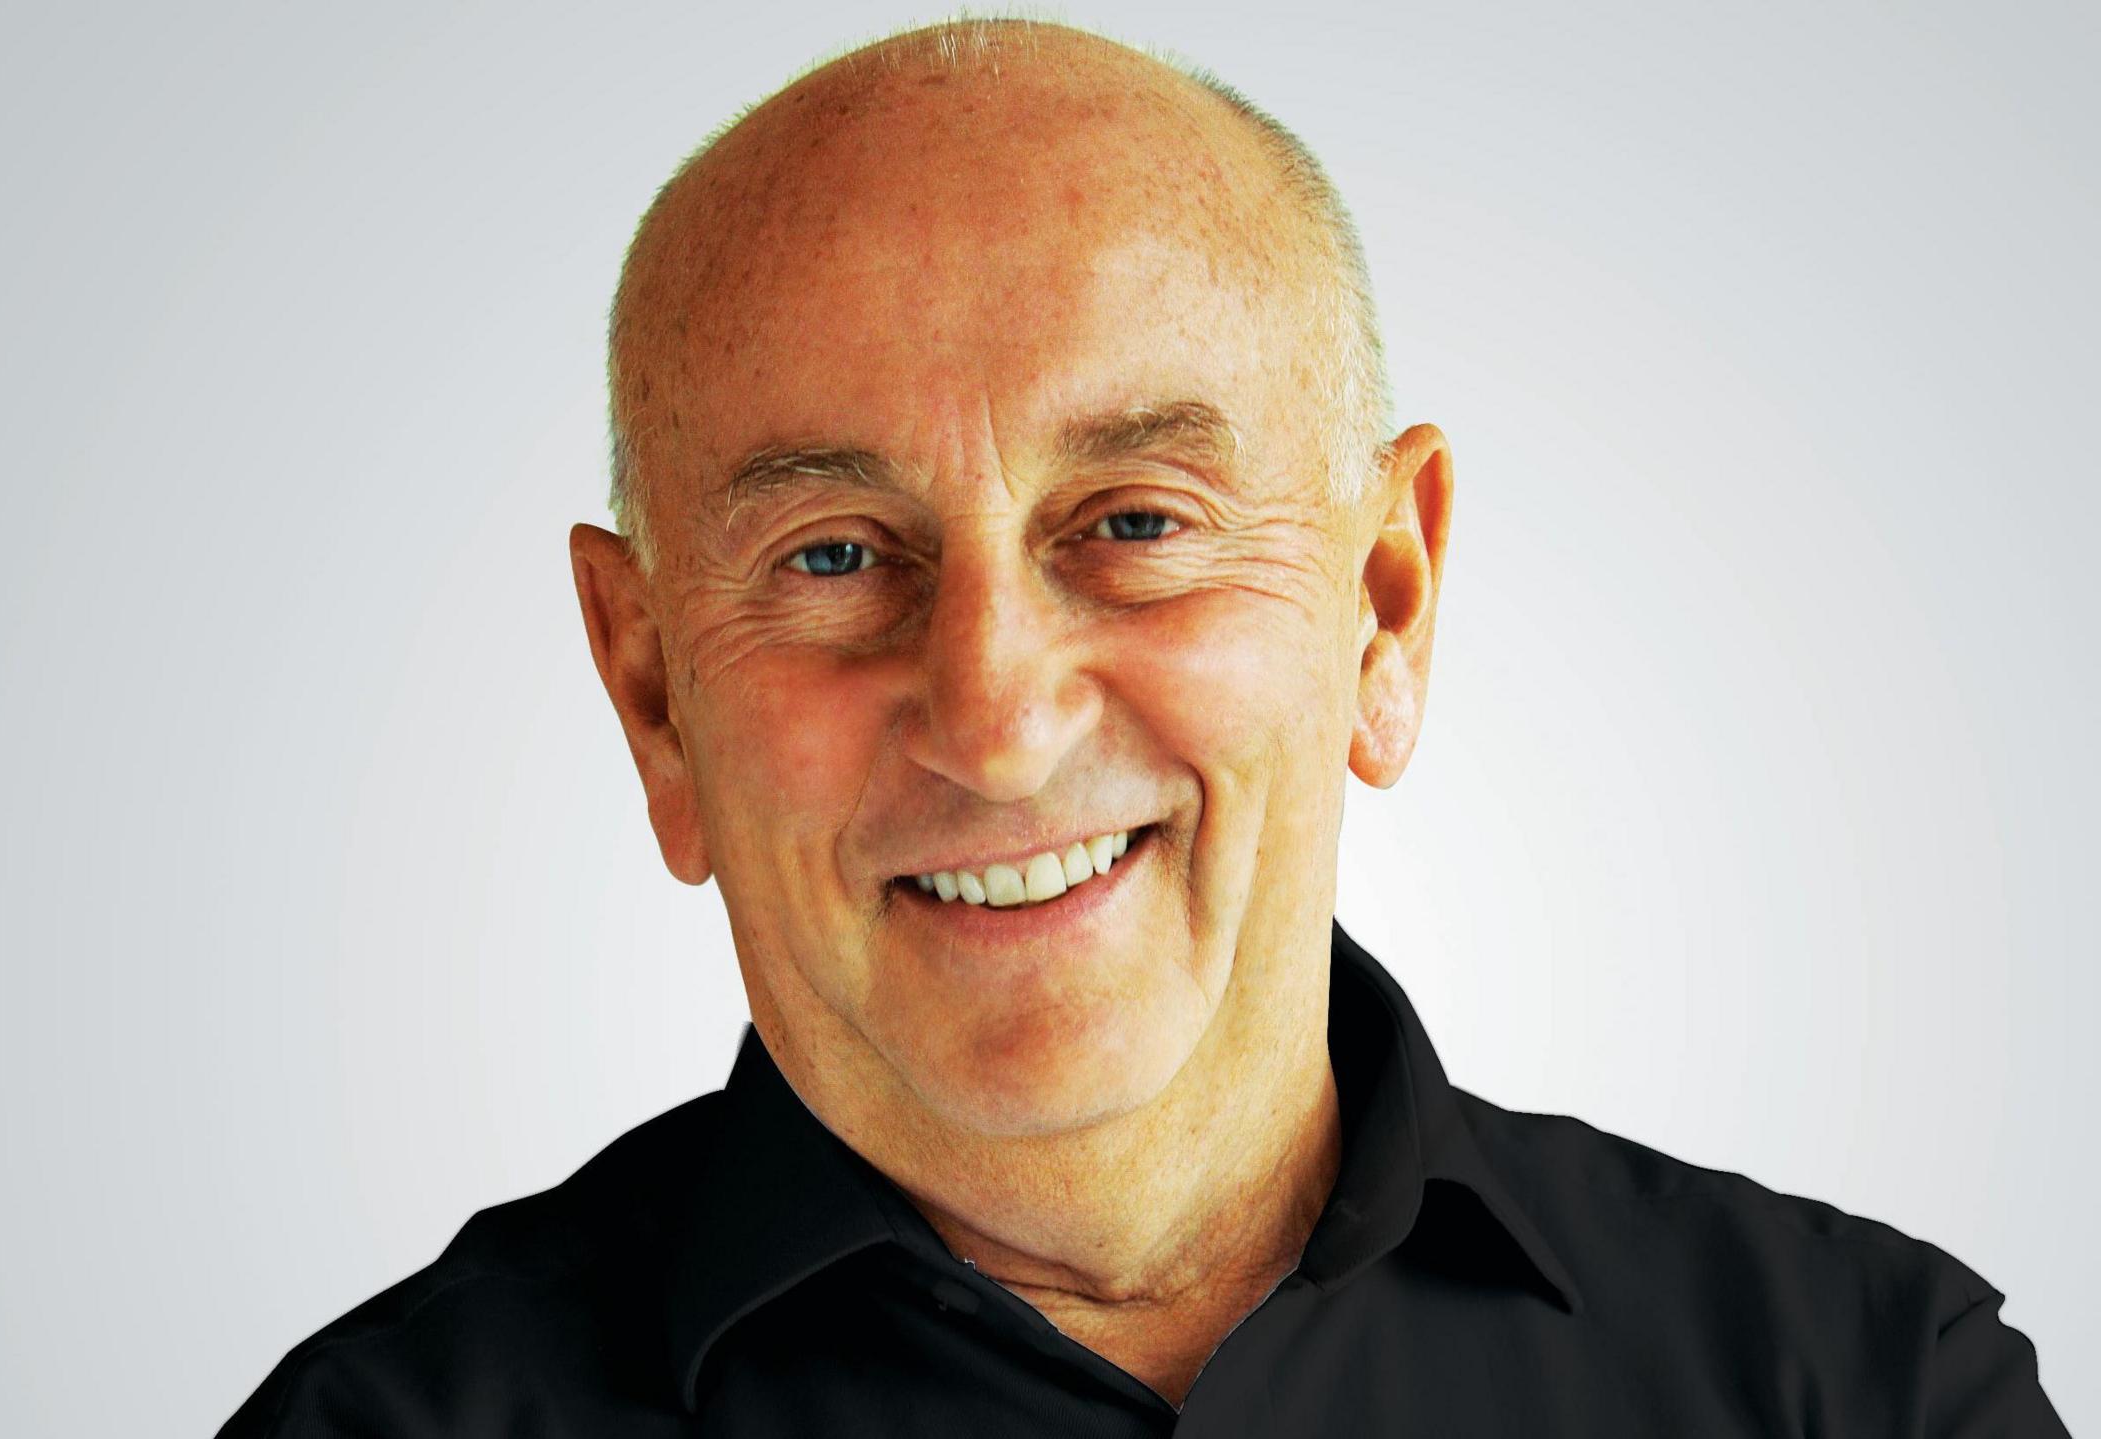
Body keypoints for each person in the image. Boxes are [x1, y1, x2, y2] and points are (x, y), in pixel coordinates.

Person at [215, 19, 2068, 1435]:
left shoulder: (1864, 1389)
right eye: (837, 553)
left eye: (1135, 524)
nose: (1000, 723)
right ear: (652, 695)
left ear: (1384, 606)